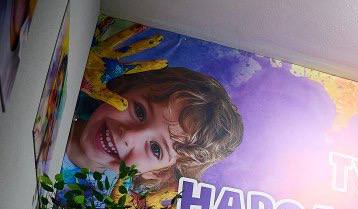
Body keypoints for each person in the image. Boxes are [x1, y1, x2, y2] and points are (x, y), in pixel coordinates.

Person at [64, 66, 243, 193]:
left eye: (156, 149)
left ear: (158, 173)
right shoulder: (65, 86)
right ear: (125, 89)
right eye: (139, 111)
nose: (130, 135)